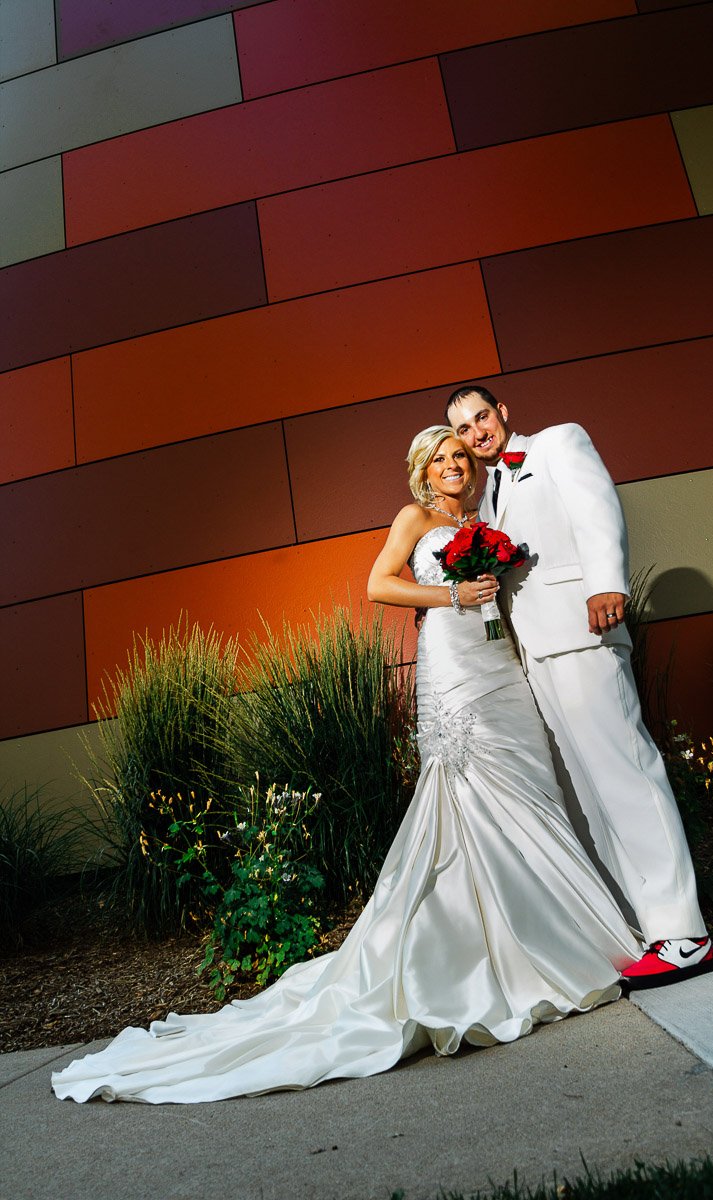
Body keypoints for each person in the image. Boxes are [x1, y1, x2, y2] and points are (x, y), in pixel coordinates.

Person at [52, 426, 641, 1105]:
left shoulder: (486, 520)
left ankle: (557, 933)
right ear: (422, 471)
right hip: (453, 667)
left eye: (459, 457)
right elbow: (378, 585)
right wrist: (455, 596)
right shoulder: (414, 518)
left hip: (500, 664)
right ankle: (484, 954)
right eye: (441, 458)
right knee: (469, 795)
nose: (454, 465)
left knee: (528, 786)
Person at [446, 386, 713, 989]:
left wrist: (605, 584)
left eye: (481, 417)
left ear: (503, 414)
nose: (475, 433)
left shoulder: (558, 441)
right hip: (536, 652)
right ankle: (647, 929)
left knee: (627, 774)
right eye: (462, 429)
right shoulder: (485, 493)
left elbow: (599, 509)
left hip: (584, 629)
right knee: (587, 794)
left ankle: (687, 934)